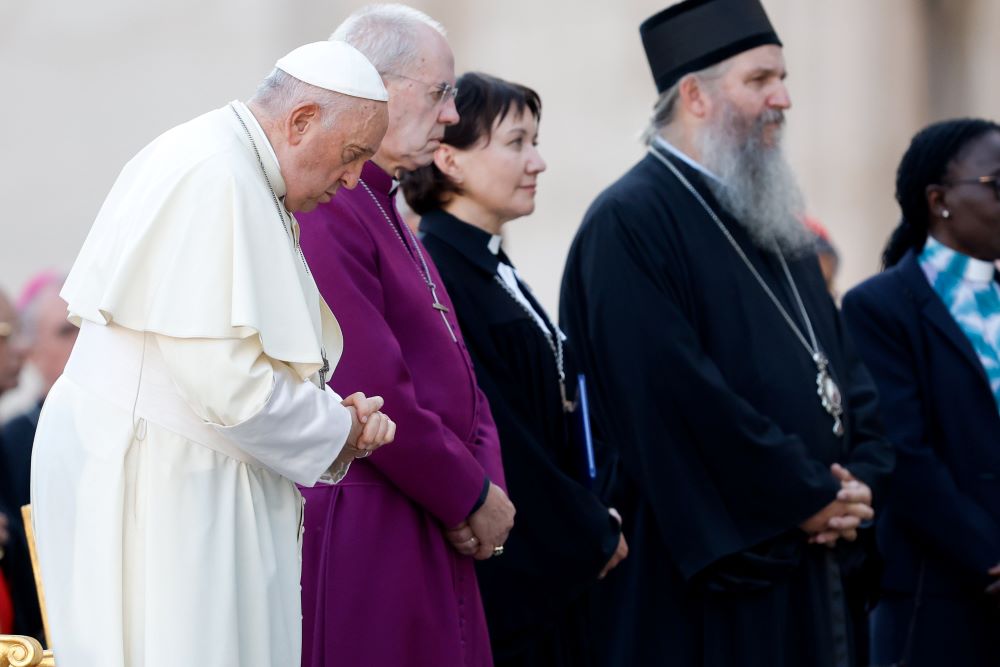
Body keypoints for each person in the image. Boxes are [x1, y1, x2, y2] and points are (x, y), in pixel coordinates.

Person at [30, 41, 396, 667]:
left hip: (184, 470)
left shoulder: (233, 166)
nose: (354, 178)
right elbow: (231, 387)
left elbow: (232, 354)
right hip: (161, 480)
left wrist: (329, 410)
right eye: (353, 154)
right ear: (302, 120)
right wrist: (342, 428)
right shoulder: (215, 174)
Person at [559, 1, 895, 665]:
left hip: (813, 559)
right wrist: (807, 493)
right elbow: (673, 395)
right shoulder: (629, 222)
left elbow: (846, 372)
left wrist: (863, 479)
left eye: (783, 77)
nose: (785, 97)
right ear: (695, 96)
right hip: (712, 582)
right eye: (760, 79)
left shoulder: (779, 221)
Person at [296, 7, 514, 667]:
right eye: (440, 92)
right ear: (375, 86)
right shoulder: (331, 204)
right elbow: (372, 379)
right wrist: (469, 494)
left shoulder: (386, 205)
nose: (451, 113)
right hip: (375, 515)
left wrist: (484, 487)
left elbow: (461, 377)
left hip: (428, 511)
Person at [400, 72, 629, 666]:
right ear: (448, 158)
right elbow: (495, 428)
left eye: (536, 142)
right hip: (517, 575)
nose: (539, 162)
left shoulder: (495, 267)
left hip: (563, 554)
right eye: (516, 143)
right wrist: (589, 529)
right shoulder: (441, 275)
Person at [841, 118, 1000, 666]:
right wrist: (989, 554)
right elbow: (903, 453)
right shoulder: (880, 307)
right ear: (939, 200)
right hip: (938, 592)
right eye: (998, 184)